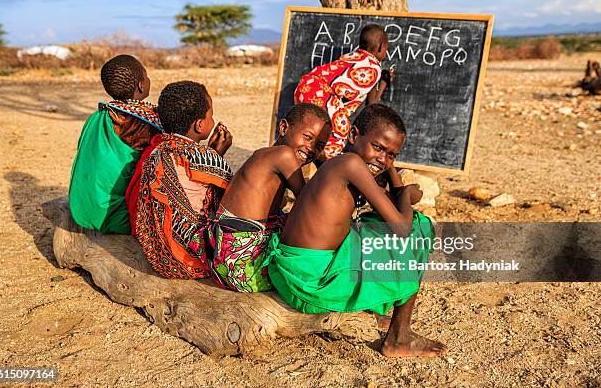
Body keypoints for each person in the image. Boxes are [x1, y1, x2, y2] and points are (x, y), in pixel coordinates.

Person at [264, 103, 446, 358]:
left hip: (297, 268)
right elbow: (403, 226)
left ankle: (375, 308)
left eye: (392, 154)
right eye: (378, 147)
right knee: (419, 228)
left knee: (374, 224)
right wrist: (405, 194)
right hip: (311, 280)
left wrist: (388, 164)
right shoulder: (350, 164)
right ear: (352, 136)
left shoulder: (347, 163)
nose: (383, 159)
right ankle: (398, 336)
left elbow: (388, 207)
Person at [208, 104, 331, 292]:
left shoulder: (265, 154)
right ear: (283, 128)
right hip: (244, 269)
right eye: (308, 137)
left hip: (226, 262)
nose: (312, 148)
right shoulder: (285, 155)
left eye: (320, 145)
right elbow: (310, 204)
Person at [134, 81, 232, 279]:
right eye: (210, 116)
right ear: (199, 125)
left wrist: (212, 154)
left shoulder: (157, 149)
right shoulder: (203, 158)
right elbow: (236, 193)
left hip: (158, 253)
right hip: (190, 258)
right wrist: (215, 156)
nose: (213, 121)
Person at [69, 54, 162, 234]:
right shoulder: (143, 124)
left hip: (82, 207)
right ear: (141, 85)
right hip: (116, 216)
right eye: (146, 75)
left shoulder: (97, 116)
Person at [294, 24, 393, 160]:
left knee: (310, 130)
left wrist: (382, 82)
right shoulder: (373, 67)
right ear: (381, 47)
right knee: (339, 129)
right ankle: (325, 165)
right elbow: (371, 105)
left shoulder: (352, 56)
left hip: (306, 86)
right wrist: (383, 82)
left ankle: (306, 157)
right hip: (321, 93)